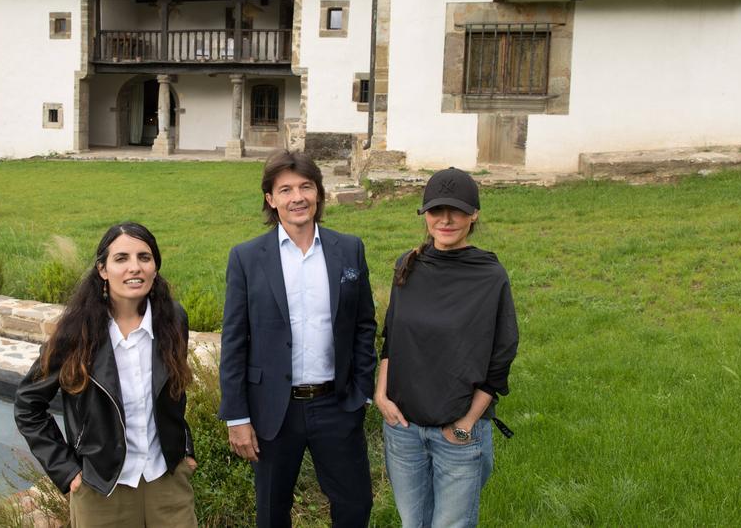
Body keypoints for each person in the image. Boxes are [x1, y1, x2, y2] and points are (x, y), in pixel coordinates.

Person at [219, 149, 378, 528]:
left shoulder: (349, 249)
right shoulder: (246, 258)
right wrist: (237, 416)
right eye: (285, 189)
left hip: (336, 404)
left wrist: (361, 391)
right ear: (271, 200)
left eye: (306, 186)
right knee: (272, 513)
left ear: (319, 193)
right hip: (274, 409)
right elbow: (235, 339)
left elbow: (364, 325)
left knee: (355, 506)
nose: (297, 197)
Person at [14, 222, 197, 527]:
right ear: (102, 269)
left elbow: (174, 391)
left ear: (155, 267)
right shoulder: (75, 334)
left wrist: (185, 449)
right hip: (102, 488)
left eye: (144, 257)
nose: (134, 268)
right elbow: (27, 405)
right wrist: (66, 470)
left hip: (167, 482)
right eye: (121, 258)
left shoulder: (173, 319)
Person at [374, 168, 518, 528]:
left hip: (457, 431)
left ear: (474, 214)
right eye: (437, 210)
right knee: (413, 524)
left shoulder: (489, 275)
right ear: (425, 215)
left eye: (457, 210)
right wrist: (381, 396)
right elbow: (392, 338)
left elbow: (501, 355)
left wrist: (467, 423)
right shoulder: (408, 265)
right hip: (403, 427)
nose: (446, 219)